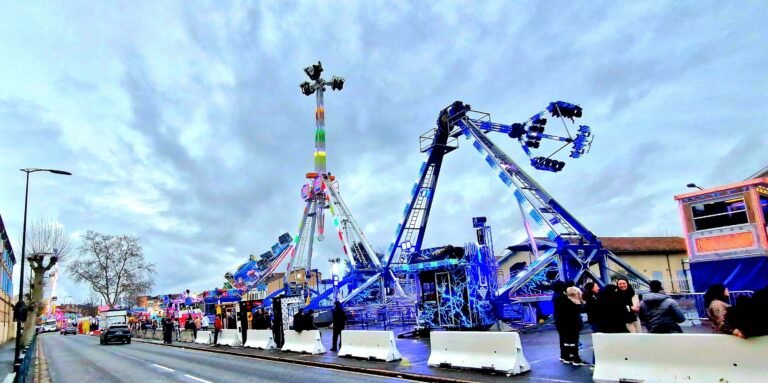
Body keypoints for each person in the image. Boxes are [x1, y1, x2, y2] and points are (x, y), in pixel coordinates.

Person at [560, 286, 588, 366]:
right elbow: (582, 308)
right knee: (574, 341)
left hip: (566, 324)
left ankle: (567, 357)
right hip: (574, 324)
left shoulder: (564, 301)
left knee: (568, 342)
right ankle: (576, 359)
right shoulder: (575, 302)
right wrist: (581, 299)